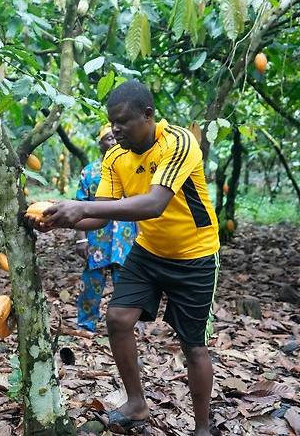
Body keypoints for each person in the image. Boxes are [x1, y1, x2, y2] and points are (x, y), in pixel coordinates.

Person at [26, 80, 220, 436]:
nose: (115, 129)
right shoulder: (115, 157)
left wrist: (81, 206)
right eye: (112, 122)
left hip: (196, 255)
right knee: (117, 318)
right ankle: (136, 403)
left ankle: (202, 427)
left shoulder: (177, 143)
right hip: (148, 252)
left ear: (148, 115)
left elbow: (154, 203)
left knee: (192, 345)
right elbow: (100, 215)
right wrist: (58, 219)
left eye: (123, 121)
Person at [74, 125, 138, 333]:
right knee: (92, 282)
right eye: (107, 138)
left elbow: (142, 204)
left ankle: (125, 325)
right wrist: (81, 239)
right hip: (97, 238)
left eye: (114, 138)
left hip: (125, 237)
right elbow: (79, 206)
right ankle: (86, 323)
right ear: (100, 144)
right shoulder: (90, 172)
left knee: (125, 282)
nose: (112, 142)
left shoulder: (131, 168)